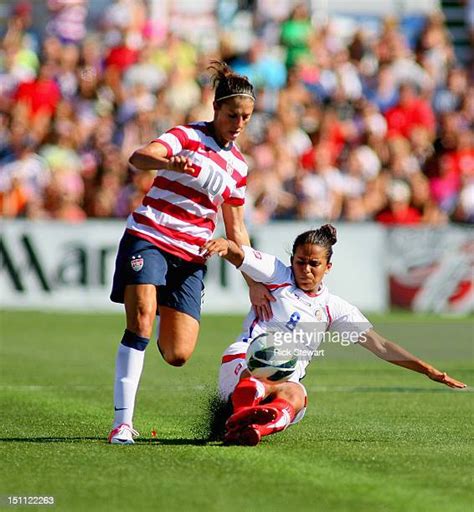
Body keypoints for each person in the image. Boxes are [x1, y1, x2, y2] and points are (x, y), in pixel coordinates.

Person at [108, 61, 274, 444]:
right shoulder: (186, 136)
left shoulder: (238, 167)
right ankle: (122, 423)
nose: (239, 123)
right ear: (216, 109)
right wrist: (169, 161)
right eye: (233, 114)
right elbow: (138, 158)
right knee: (141, 322)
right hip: (149, 235)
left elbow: (236, 229)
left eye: (246, 117)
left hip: (189, 257)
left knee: (178, 354)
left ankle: (159, 298)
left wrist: (253, 280)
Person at [202, 225, 467, 446]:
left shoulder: (333, 307)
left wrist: (427, 369)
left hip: (284, 377)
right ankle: (241, 415)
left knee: (297, 395)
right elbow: (240, 254)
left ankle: (256, 429)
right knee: (261, 374)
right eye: (300, 262)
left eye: (314, 264)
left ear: (328, 267)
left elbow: (380, 345)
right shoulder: (277, 274)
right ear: (291, 260)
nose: (305, 269)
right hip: (243, 361)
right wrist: (224, 246)